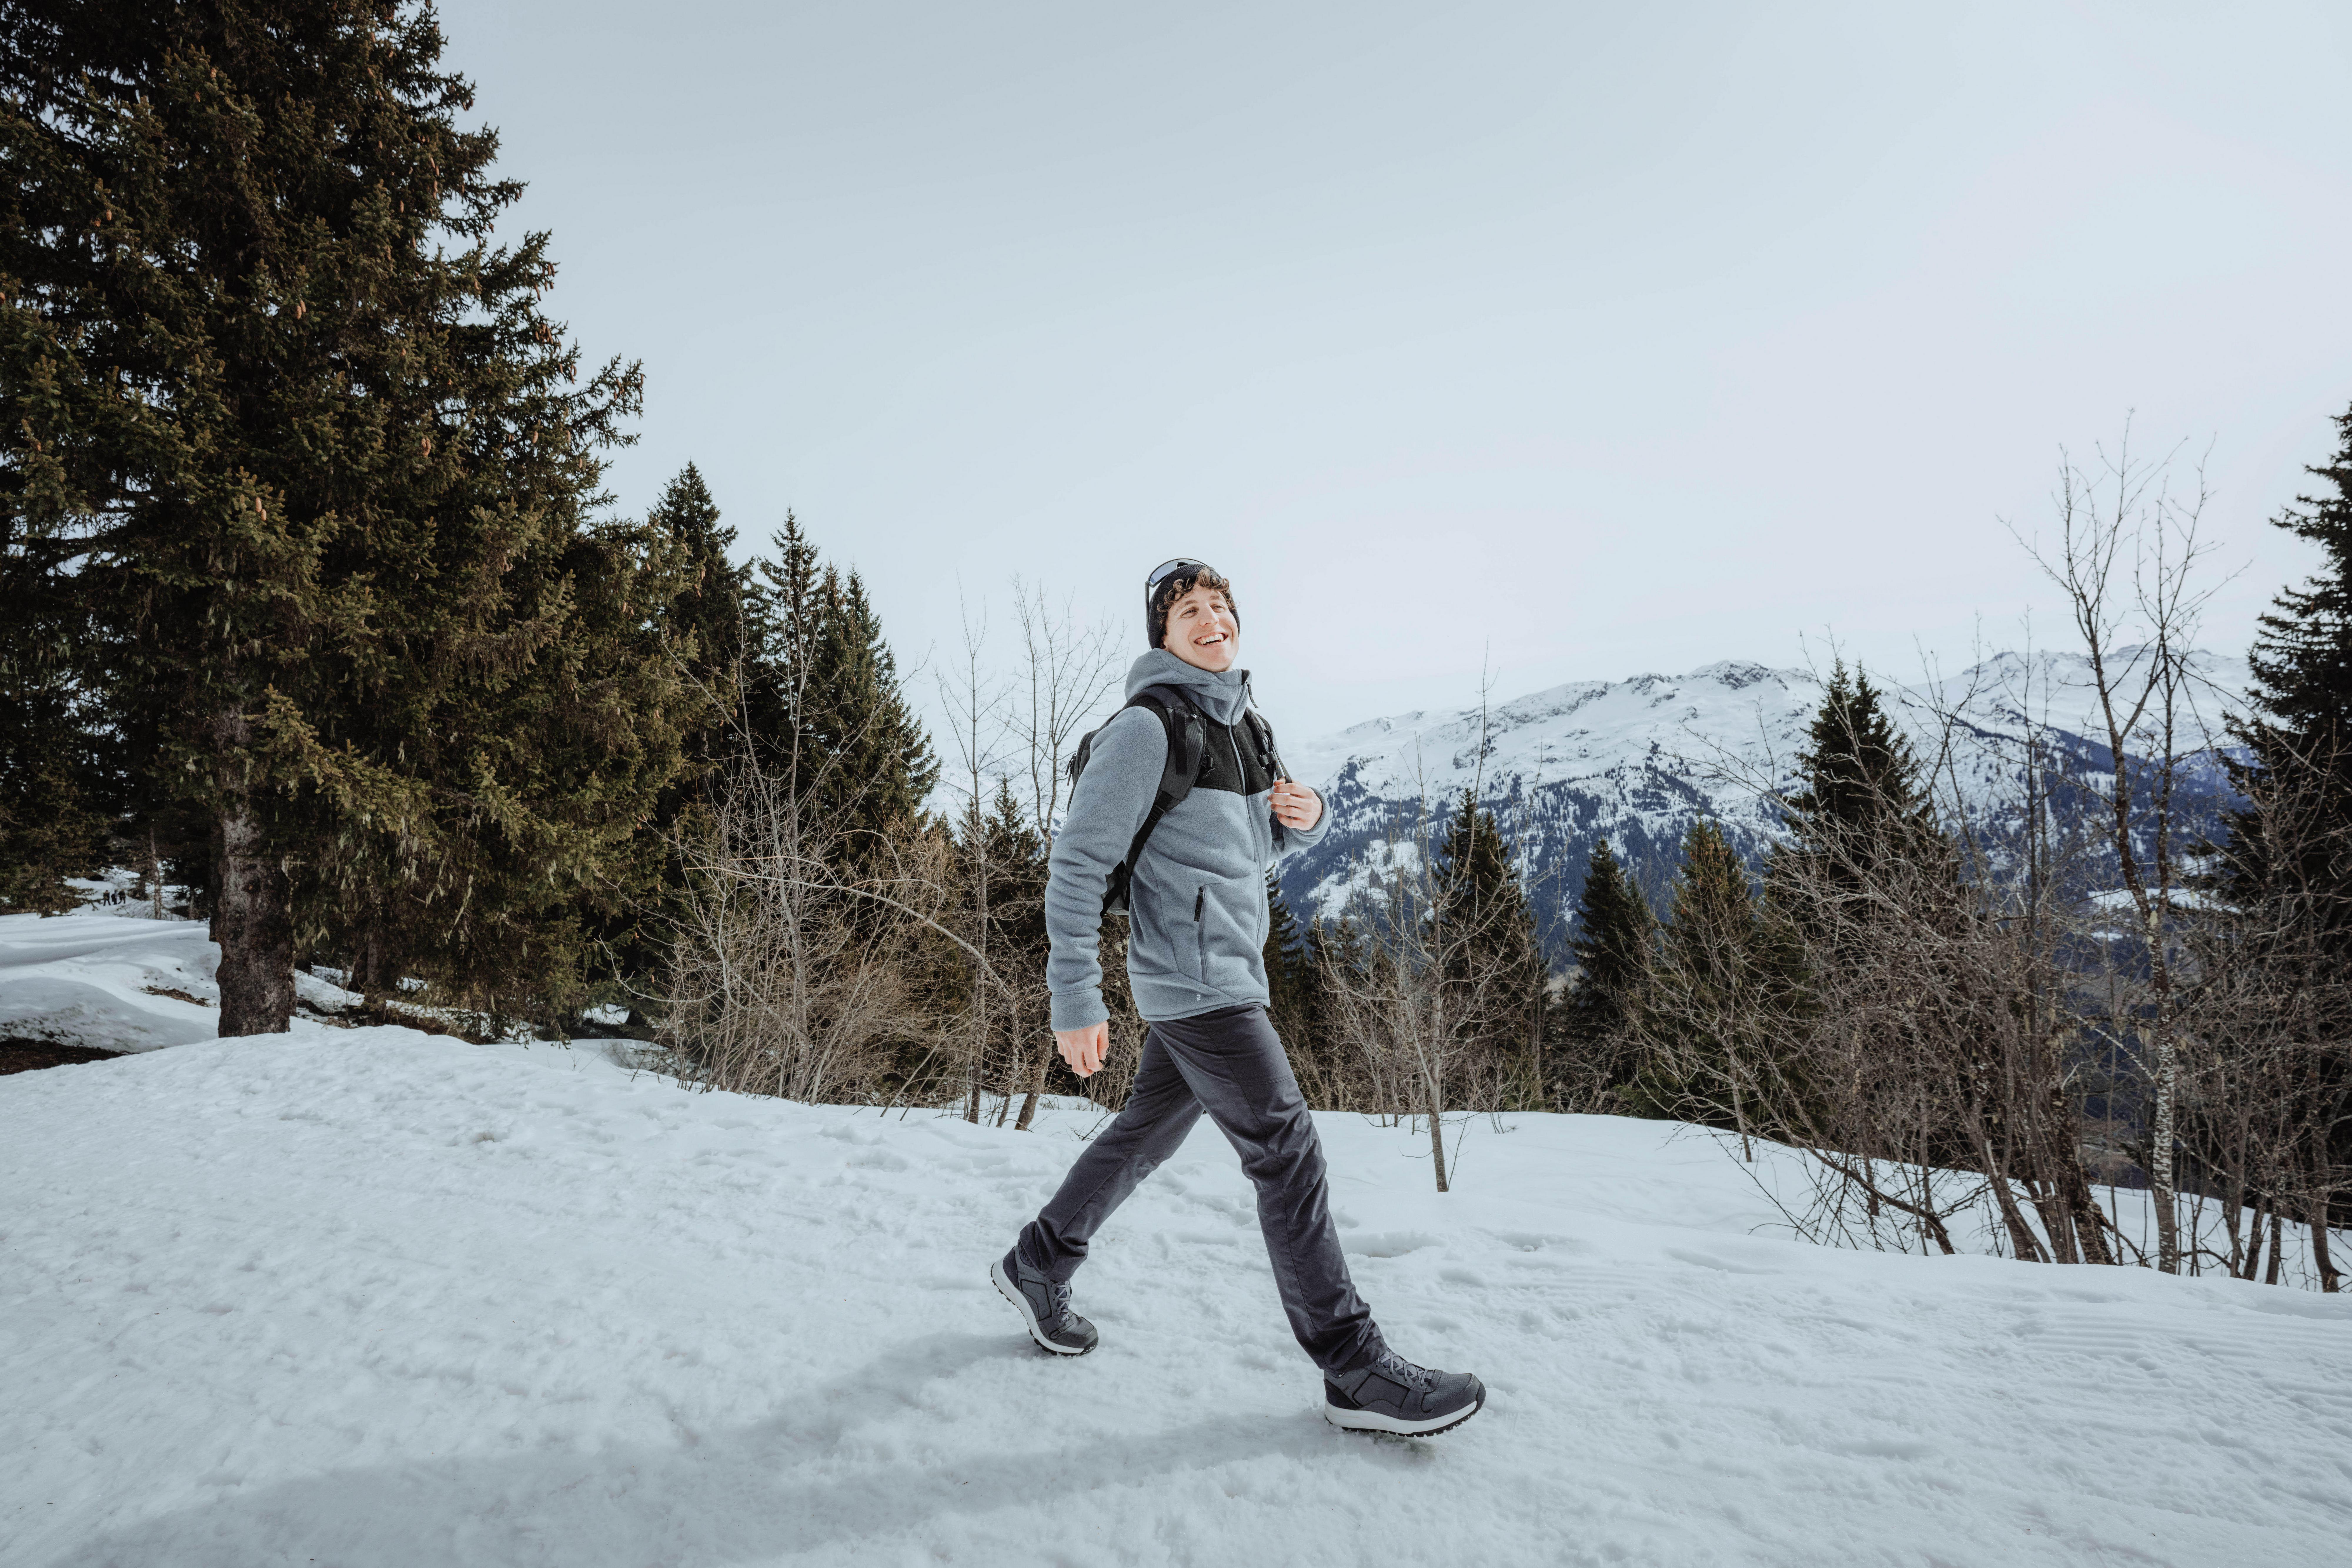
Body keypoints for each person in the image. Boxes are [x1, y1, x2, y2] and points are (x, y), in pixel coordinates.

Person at [990, 558, 1485, 1438]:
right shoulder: (1148, 729)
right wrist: (1075, 992)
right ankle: (1353, 1366)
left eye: (1220, 607)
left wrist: (1312, 816)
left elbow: (1249, 851)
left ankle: (1039, 1261)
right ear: (1165, 636)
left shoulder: (1246, 725)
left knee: (1145, 1131)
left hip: (1220, 972)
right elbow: (1076, 864)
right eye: (1189, 611)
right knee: (1287, 1152)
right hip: (1195, 983)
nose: (1211, 620)